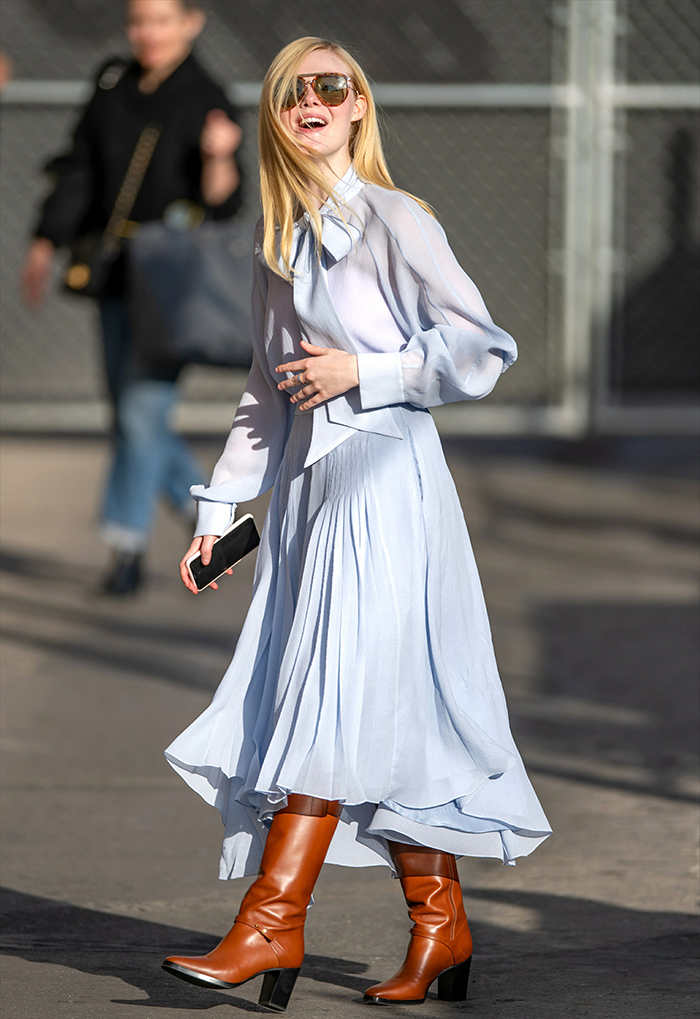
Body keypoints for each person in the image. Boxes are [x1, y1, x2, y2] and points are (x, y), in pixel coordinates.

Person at [161, 36, 552, 1012]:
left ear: (359, 106)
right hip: (307, 497)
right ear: (275, 113)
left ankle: (269, 922)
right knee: (375, 710)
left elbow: (480, 344)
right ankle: (438, 923)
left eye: (332, 86)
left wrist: (365, 373)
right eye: (295, 88)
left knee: (332, 699)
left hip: (385, 485)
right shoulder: (277, 236)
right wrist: (217, 513)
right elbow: (263, 392)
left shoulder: (394, 217)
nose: (313, 100)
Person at [21, 0, 243, 595]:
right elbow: (80, 167)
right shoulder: (112, 80)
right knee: (130, 416)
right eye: (140, 20)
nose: (148, 32)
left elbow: (225, 203)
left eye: (162, 20)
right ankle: (217, 532)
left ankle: (125, 549)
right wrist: (45, 241)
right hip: (114, 275)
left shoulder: (206, 94)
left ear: (192, 22)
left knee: (141, 414)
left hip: (169, 287)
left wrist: (220, 157)